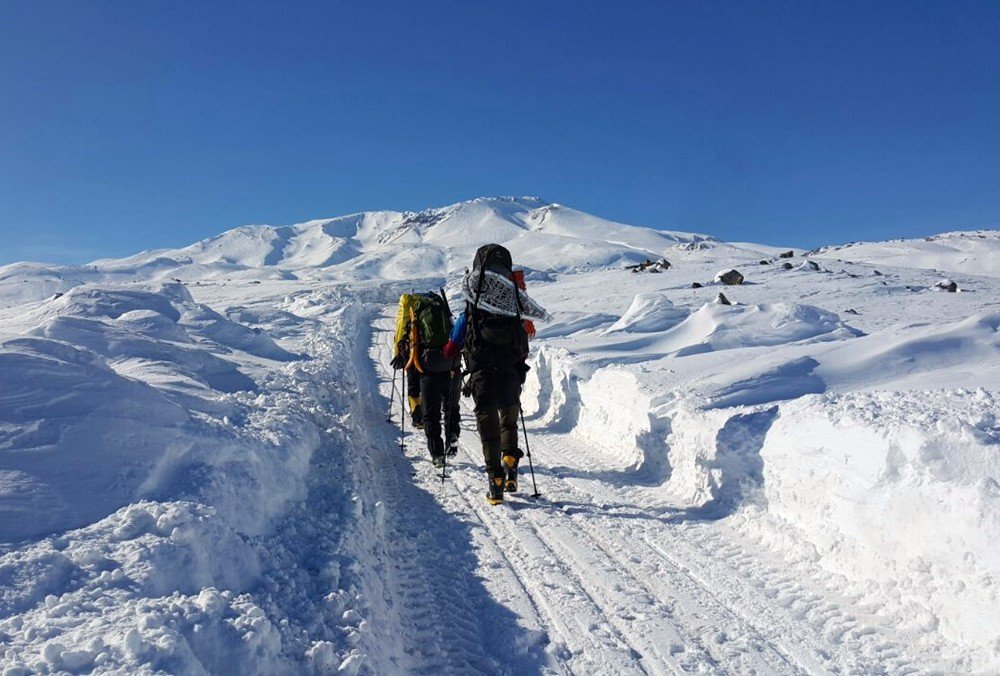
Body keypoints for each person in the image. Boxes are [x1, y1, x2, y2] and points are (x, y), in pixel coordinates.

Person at [443, 244, 549, 504]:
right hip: (511, 374)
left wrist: (451, 351)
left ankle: (496, 482)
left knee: (488, 429)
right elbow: (524, 338)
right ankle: (511, 462)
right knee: (509, 422)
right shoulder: (514, 301)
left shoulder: (473, 302)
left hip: (482, 375)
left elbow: (454, 342)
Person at [392, 292, 460, 467]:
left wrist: (401, 355)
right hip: (449, 365)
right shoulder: (442, 310)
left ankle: (437, 454)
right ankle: (452, 436)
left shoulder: (415, 316)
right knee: (450, 407)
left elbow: (410, 345)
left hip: (428, 369)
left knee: (431, 414)